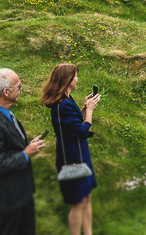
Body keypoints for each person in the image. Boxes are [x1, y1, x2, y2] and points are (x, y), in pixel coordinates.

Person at [40, 63, 100, 235]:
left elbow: (73, 124)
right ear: (67, 80)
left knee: (86, 197)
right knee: (78, 202)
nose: (77, 78)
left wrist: (83, 108)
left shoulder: (66, 99)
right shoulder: (63, 104)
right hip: (71, 159)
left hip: (80, 155)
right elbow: (82, 131)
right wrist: (89, 111)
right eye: (75, 75)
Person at [0, 68, 45, 235]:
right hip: (8, 201)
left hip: (22, 194)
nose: (21, 89)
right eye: (18, 86)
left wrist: (28, 147)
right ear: (6, 92)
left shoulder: (8, 114)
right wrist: (26, 153)